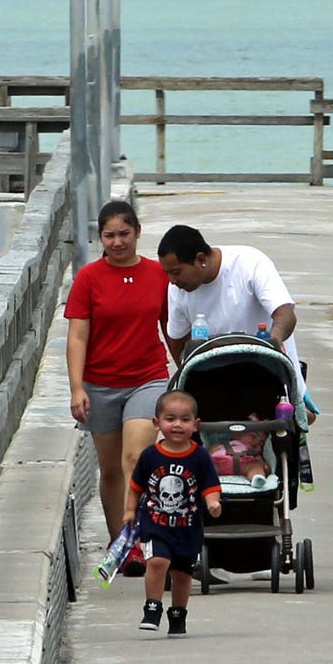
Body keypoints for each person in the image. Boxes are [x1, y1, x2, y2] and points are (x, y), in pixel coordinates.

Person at [65, 198, 174, 545]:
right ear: (101, 238)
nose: (117, 241)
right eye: (109, 235)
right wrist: (76, 388)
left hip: (148, 377)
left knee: (136, 458)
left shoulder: (158, 274)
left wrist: (186, 371)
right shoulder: (88, 278)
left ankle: (146, 535)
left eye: (124, 233)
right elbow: (77, 335)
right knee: (111, 470)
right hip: (100, 384)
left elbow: (172, 327)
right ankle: (122, 543)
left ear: (138, 232)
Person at [128, 390, 222, 636]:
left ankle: (178, 614)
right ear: (156, 423)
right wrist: (129, 510)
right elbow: (136, 486)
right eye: (170, 419)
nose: (177, 425)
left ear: (196, 425)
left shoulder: (200, 456)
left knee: (182, 574)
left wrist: (212, 502)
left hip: (187, 528)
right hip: (155, 524)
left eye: (184, 419)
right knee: (157, 562)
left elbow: (211, 485)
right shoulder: (150, 455)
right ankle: (152, 607)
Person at [153, 224, 301, 379]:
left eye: (176, 272)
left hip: (270, 375)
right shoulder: (177, 288)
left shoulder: (250, 263)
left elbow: (285, 314)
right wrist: (189, 376)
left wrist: (274, 341)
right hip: (217, 382)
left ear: (200, 259)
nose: (171, 280)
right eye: (167, 273)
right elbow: (178, 339)